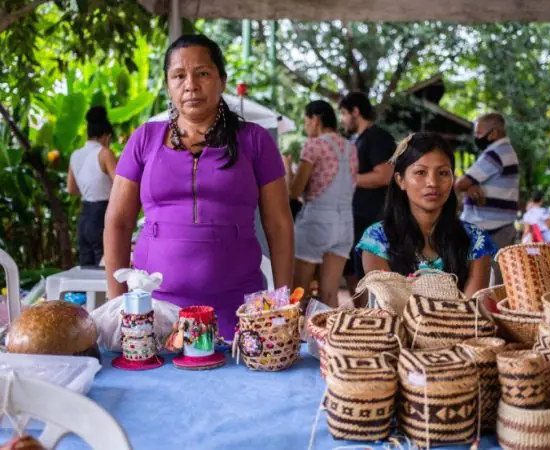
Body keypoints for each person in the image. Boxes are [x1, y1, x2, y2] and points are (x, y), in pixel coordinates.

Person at [104, 34, 294, 339]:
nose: (190, 85)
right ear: (168, 85)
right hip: (154, 312)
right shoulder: (144, 139)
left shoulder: (255, 140)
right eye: (179, 76)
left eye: (202, 73)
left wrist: (282, 303)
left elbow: (279, 224)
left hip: (237, 310)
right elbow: (118, 222)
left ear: (222, 80)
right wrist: (117, 305)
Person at [357, 133, 496, 297]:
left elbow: (472, 308)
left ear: (453, 178)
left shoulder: (476, 240)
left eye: (443, 173)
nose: (432, 183)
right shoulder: (377, 240)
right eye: (420, 172)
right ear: (400, 180)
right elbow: (391, 305)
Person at [285, 100, 358, 307]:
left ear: (316, 120)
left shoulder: (314, 145)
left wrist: (287, 168)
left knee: (298, 293)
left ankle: (299, 329)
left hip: (316, 222)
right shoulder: (351, 148)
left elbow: (294, 191)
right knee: (330, 295)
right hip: (345, 224)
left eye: (306, 121)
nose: (306, 127)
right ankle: (330, 329)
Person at [339, 92, 395, 298]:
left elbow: (385, 175)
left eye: (344, 113)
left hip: (375, 219)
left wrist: (347, 179)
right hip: (357, 219)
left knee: (375, 281)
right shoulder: (358, 140)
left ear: (355, 111)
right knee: (354, 272)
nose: (342, 119)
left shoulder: (377, 137)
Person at [455, 112, 519, 284]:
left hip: (492, 228)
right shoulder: (504, 151)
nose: (476, 137)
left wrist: (467, 185)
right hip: (495, 226)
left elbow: (460, 183)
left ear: (494, 133)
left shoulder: (496, 153)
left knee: (488, 283)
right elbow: (467, 183)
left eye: (479, 133)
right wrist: (470, 186)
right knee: (492, 281)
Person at [68, 106, 117, 266]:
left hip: (84, 217)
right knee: (103, 269)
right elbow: (120, 185)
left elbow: (71, 189)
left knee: (86, 270)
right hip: (102, 215)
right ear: (107, 136)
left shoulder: (75, 155)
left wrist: (90, 190)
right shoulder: (104, 153)